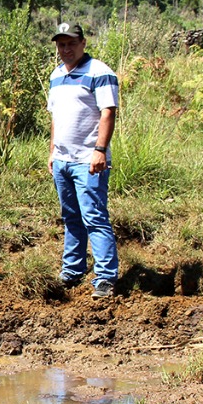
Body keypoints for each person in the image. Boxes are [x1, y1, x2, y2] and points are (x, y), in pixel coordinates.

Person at [47, 22, 119, 299]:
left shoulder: (100, 72)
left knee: (94, 217)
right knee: (71, 217)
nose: (66, 49)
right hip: (63, 159)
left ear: (83, 43)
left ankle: (105, 277)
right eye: (61, 44)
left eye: (71, 44)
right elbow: (56, 117)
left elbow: (107, 112)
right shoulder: (56, 75)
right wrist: (52, 151)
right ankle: (73, 270)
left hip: (87, 159)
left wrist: (100, 150)